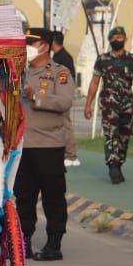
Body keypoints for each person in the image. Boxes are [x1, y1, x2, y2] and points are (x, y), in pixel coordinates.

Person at [15, 27, 76, 261]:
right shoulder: (19, 71)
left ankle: (54, 243)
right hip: (23, 144)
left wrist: (36, 97)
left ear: (45, 46)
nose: (27, 47)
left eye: (32, 43)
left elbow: (65, 102)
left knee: (53, 195)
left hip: (49, 144)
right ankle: (24, 241)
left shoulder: (60, 73)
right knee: (24, 196)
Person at [84, 26, 133, 184]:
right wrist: (88, 104)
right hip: (109, 103)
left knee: (124, 136)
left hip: (127, 104)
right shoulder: (102, 60)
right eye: (114, 37)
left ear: (125, 39)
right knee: (111, 134)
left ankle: (119, 162)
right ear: (110, 40)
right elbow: (95, 82)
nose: (118, 39)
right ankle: (112, 165)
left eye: (120, 37)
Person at [51, 31, 80, 167]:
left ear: (53, 42)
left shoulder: (63, 58)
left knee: (65, 124)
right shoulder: (57, 56)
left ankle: (71, 154)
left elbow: (65, 78)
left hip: (62, 96)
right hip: (56, 96)